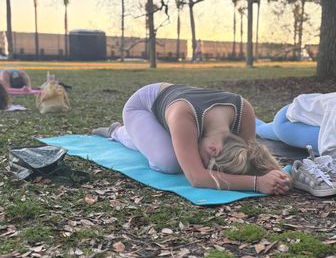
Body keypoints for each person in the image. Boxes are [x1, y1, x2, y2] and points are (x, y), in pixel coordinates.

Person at [92, 83, 291, 195]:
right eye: (205, 161)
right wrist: (257, 183)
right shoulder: (184, 116)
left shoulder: (244, 110)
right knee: (169, 163)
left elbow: (250, 157)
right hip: (143, 106)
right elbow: (196, 177)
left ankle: (151, 136)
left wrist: (278, 176)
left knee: (178, 152)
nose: (199, 160)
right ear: (214, 150)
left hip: (177, 113)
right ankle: (119, 131)